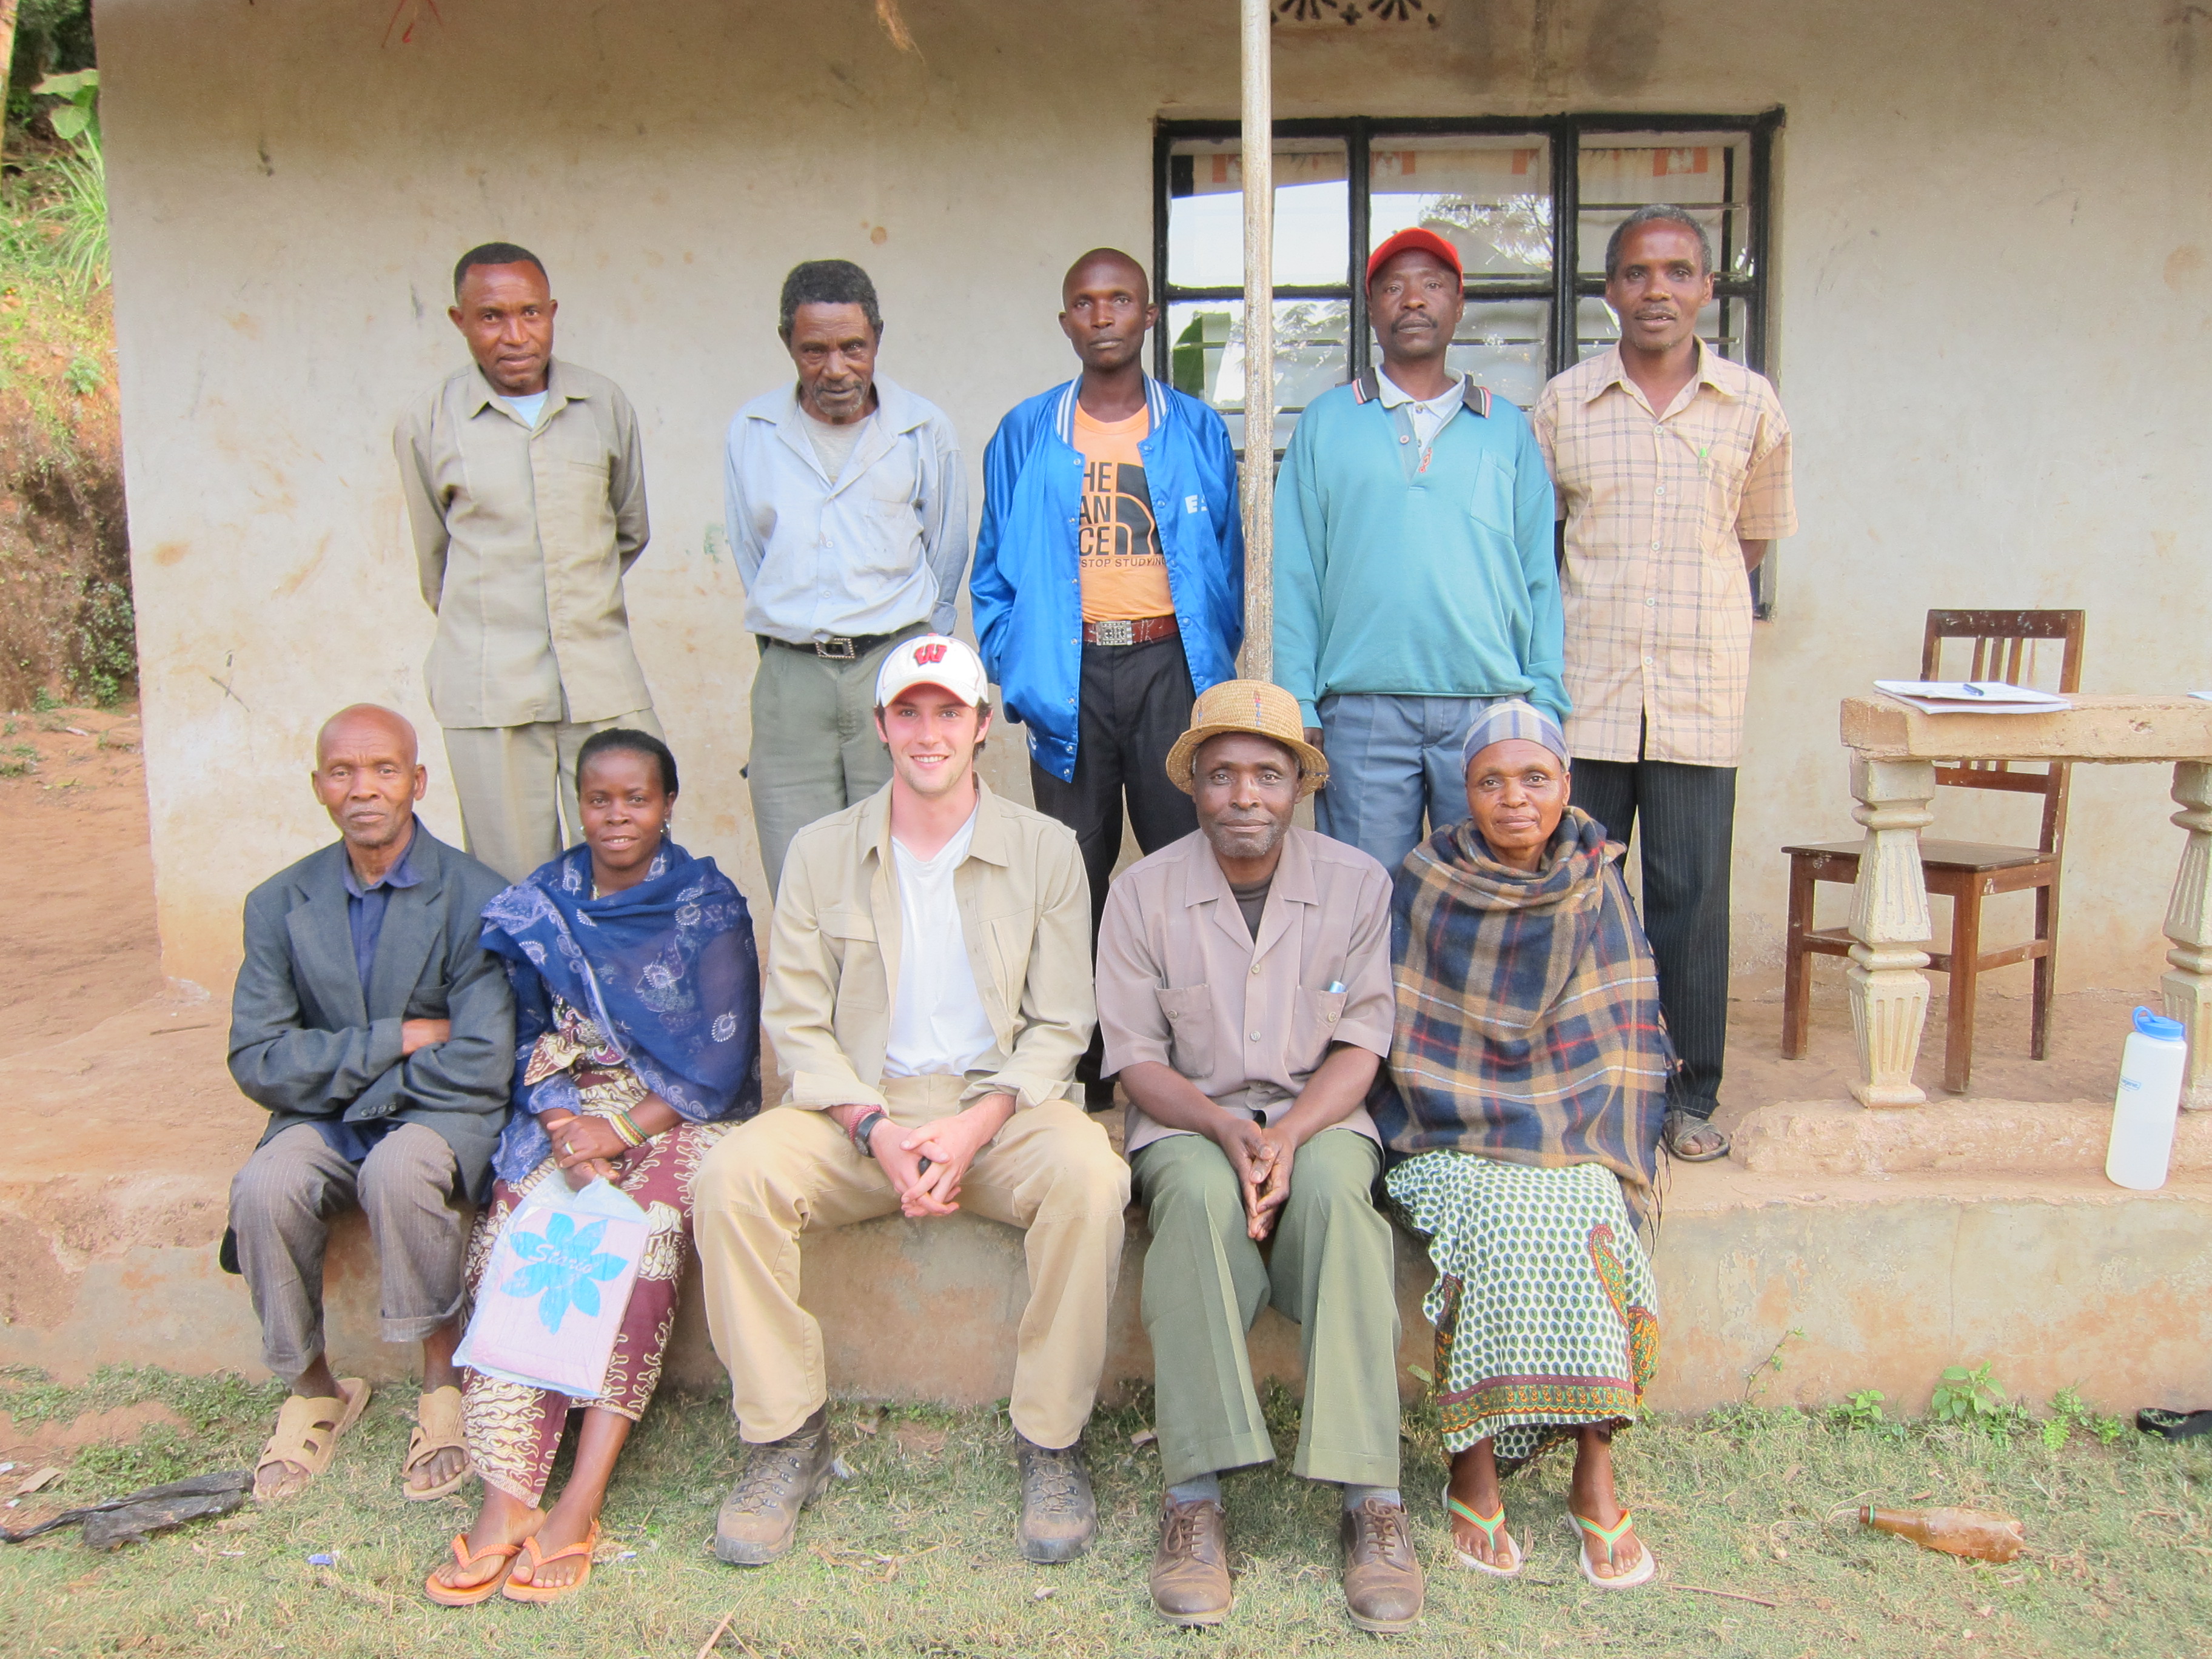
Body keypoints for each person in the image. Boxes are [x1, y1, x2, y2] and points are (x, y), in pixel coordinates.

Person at [693, 634, 1126, 1568]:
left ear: (980, 728)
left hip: (999, 1111)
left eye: (949, 713)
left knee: (1091, 1175)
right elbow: (798, 1022)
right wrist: (873, 1127)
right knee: (732, 1176)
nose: (928, 733)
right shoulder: (821, 852)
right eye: (909, 713)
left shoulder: (1048, 849)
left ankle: (1050, 1442)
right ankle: (784, 1440)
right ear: (882, 726)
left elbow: (1061, 1025)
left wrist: (978, 1123)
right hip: (861, 1110)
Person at [1096, 680, 1422, 1633]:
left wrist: (1284, 1134)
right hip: (1189, 1122)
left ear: (1299, 788)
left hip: (1318, 1119)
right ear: (1194, 785)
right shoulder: (1139, 893)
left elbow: (1363, 1043)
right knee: (1194, 1202)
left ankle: (1372, 1500)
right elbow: (1134, 1058)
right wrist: (1226, 1128)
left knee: (1339, 1207)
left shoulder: (1358, 884)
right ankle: (1194, 1499)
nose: (1246, 795)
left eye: (1268, 776)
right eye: (1224, 774)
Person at [425, 728, 762, 1606]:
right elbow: (528, 1035)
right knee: (524, 1232)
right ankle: (508, 1502)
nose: (617, 817)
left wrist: (616, 1133)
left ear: (668, 805)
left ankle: (581, 1497)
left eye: (637, 799)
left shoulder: (706, 905)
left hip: (674, 1111)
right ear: (580, 803)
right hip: (568, 1111)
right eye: (600, 799)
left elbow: (719, 1063)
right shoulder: (545, 902)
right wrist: (565, 1123)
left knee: (635, 1238)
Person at [1378, 699, 1669, 1591]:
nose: (1515, 799)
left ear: (1566, 787)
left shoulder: (1598, 880)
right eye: (1491, 782)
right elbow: (1406, 1033)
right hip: (1453, 1126)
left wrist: (1571, 1135)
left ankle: (1595, 1461)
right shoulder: (1427, 881)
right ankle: (1470, 1459)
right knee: (1498, 1215)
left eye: (1534, 778)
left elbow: (1625, 1032)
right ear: (1463, 794)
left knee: (1587, 1212)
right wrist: (1497, 1128)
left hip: (1575, 1125)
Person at [1531, 206, 1797, 1163]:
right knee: (1575, 890)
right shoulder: (1565, 405)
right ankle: (1576, 1081)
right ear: (1610, 291)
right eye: (1638, 274)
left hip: (1696, 693)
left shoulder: (1750, 405)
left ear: (1707, 290)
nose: (1658, 291)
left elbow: (1751, 537)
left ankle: (1689, 1095)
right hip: (1588, 692)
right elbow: (1540, 539)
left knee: (1690, 896)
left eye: (1679, 272)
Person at [971, 248, 1244, 1107]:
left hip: (1170, 666)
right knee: (1072, 871)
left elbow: (1230, 561)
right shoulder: (1026, 432)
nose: (1102, 316)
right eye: (1084, 303)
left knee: (1183, 867)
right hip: (1070, 674)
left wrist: (1208, 667)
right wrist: (1017, 665)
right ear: (1065, 323)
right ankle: (1080, 1070)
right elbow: (992, 572)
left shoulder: (1196, 428)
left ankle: (1186, 1061)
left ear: (1149, 315)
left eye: (1119, 300)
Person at [226, 705, 514, 1504]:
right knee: (264, 1186)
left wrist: (343, 1075)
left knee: (399, 1167)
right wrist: (396, 1038)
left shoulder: (475, 895)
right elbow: (256, 1058)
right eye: (343, 773)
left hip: (436, 1114)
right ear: (319, 787)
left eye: (384, 770)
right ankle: (315, 1386)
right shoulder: (279, 903)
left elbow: (482, 1060)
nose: (365, 790)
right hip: (322, 1120)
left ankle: (440, 1381)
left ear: (416, 782)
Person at [1272, 226, 1567, 879]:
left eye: (1432, 285)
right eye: (1394, 287)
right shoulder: (1327, 421)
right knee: (1365, 895)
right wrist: (1298, 697)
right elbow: (1294, 572)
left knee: (1487, 893)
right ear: (1372, 307)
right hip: (1364, 709)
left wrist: (1543, 700)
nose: (1413, 300)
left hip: (1488, 702)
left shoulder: (1505, 428)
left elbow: (1538, 576)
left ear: (1458, 305)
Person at [397, 242, 662, 884]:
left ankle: (622, 989)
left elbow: (629, 530)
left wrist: (577, 605)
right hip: (490, 689)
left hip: (601, 681)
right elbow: (438, 563)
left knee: (632, 868)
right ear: (460, 320)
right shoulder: (429, 424)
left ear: (552, 312)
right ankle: (535, 993)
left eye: (530, 313)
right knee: (513, 884)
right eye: (492, 317)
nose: (515, 335)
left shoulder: (603, 406)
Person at [725, 259, 970, 896]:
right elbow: (752, 556)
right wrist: (794, 643)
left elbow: (945, 554)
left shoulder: (923, 429)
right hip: (790, 682)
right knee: (799, 871)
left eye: (852, 347)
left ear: (877, 340)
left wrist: (916, 656)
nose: (835, 369)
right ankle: (822, 1000)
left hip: (896, 670)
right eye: (814, 350)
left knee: (908, 868)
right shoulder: (752, 432)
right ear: (788, 344)